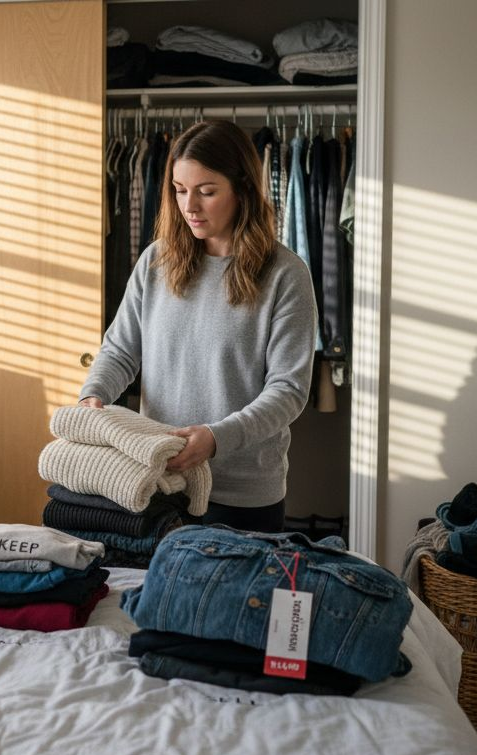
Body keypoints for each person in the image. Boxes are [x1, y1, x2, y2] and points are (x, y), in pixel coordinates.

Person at [78, 119, 317, 533]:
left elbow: (288, 391)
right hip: (158, 481)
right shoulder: (157, 262)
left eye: (207, 192)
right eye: (180, 189)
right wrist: (93, 396)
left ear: (242, 189)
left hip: (242, 495)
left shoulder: (285, 275)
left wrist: (216, 438)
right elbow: (119, 350)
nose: (190, 206)